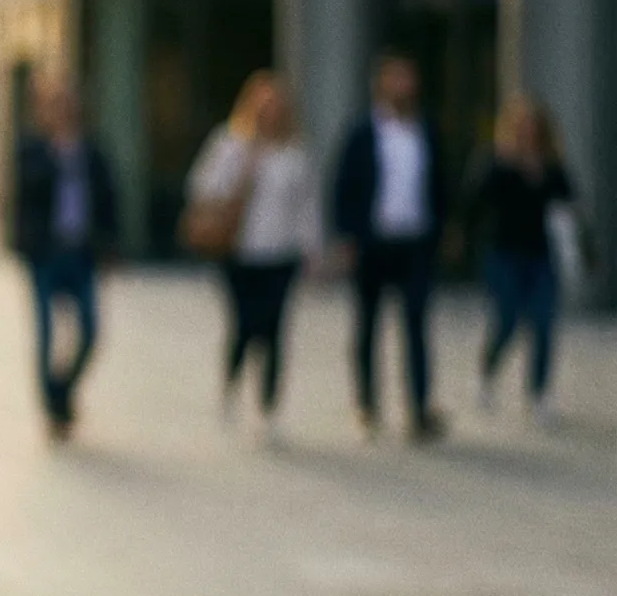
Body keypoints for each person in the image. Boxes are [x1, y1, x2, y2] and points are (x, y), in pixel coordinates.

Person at [186, 72, 323, 436]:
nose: (271, 116)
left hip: (281, 254)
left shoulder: (294, 153)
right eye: (264, 108)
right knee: (245, 325)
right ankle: (230, 385)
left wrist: (312, 248)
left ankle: (268, 403)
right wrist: (243, 170)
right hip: (239, 252)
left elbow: (307, 206)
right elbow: (201, 185)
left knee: (276, 327)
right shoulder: (230, 143)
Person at [329, 53, 447, 442]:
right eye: (394, 78)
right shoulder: (362, 132)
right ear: (380, 84)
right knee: (368, 325)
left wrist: (444, 231)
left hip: (414, 241)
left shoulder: (425, 130)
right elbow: (342, 187)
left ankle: (419, 407)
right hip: (372, 243)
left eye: (407, 78)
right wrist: (345, 236)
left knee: (415, 323)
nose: (402, 86)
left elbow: (440, 182)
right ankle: (366, 403)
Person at [11, 79, 119, 441]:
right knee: (45, 334)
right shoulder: (33, 148)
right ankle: (52, 409)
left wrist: (111, 247)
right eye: (56, 106)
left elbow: (108, 200)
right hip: (44, 253)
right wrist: (56, 156)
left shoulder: (91, 151)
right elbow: (26, 189)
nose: (63, 113)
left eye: (69, 106)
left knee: (90, 330)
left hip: (80, 253)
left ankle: (63, 389)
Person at [466, 98, 580, 423]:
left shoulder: (552, 167)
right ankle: (487, 371)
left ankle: (539, 393)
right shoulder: (497, 163)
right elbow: (475, 199)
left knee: (544, 323)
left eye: (533, 128)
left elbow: (570, 209)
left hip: (542, 256)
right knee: (508, 318)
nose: (528, 134)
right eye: (522, 127)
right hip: (504, 254)